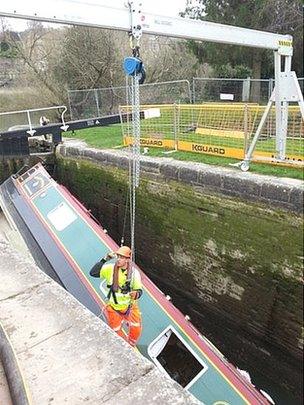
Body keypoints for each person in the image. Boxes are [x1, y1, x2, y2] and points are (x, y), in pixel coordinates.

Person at [89, 246, 143, 347]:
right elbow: (93, 273)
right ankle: (124, 346)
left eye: (122, 257)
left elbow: (139, 291)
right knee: (116, 330)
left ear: (127, 259)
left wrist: (135, 294)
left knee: (136, 327)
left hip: (129, 307)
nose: (118, 259)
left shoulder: (134, 274)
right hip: (114, 307)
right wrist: (105, 259)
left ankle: (131, 343)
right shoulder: (109, 269)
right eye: (118, 256)